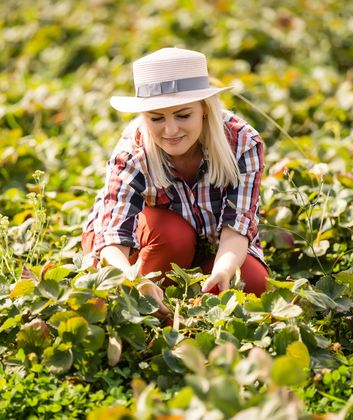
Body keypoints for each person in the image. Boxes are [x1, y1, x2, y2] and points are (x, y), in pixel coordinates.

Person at [82, 47, 268, 315]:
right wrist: (133, 280)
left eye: (183, 115)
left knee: (252, 282)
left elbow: (237, 228)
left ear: (204, 109)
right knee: (174, 236)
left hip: (212, 242)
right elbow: (113, 237)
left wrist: (223, 270)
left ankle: (194, 290)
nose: (170, 130)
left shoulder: (241, 143)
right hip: (141, 245)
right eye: (156, 118)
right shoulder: (133, 152)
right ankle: (147, 304)